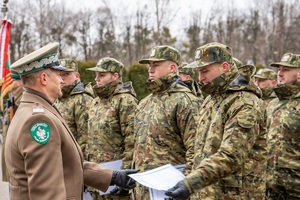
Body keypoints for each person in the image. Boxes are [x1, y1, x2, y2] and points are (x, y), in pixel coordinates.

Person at [4, 42, 138, 200]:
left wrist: (112, 177)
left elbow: (66, 164)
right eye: (58, 75)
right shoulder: (38, 120)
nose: (62, 81)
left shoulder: (33, 109)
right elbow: (46, 192)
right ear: (44, 78)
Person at [165, 42, 263, 199]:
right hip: (205, 192)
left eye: (205, 71)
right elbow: (199, 149)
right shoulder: (211, 99)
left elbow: (231, 155)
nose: (200, 77)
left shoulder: (244, 102)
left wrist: (191, 183)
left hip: (234, 194)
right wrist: (188, 181)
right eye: (198, 71)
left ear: (224, 67)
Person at [132, 45, 200, 200]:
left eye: (156, 65)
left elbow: (195, 151)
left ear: (172, 67)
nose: (150, 69)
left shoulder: (185, 101)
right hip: (143, 191)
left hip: (171, 191)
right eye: (149, 65)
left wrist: (187, 186)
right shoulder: (145, 103)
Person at [85, 57, 138, 200]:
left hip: (116, 176)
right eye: (96, 75)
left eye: (101, 75)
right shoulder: (95, 102)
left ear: (115, 76)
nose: (96, 79)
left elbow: (132, 141)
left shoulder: (125, 101)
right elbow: (88, 139)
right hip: (97, 175)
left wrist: (125, 177)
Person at [265, 53, 300, 198]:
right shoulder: (273, 104)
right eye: (279, 69)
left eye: (285, 69)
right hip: (271, 188)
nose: (279, 73)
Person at [54, 58, 94, 160]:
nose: (62, 78)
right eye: (59, 74)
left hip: (74, 160)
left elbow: (85, 136)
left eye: (66, 74)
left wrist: (79, 162)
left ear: (77, 76)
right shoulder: (59, 97)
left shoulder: (82, 99)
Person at [1, 70, 23, 182]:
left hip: (17, 160)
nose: (8, 84)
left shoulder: (22, 100)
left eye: (12, 80)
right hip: (9, 155)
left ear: (19, 82)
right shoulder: (12, 99)